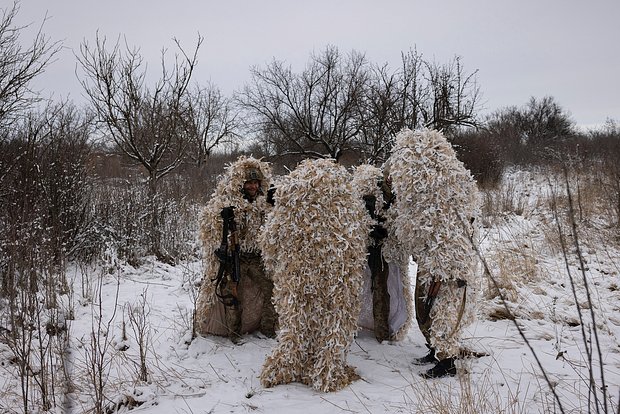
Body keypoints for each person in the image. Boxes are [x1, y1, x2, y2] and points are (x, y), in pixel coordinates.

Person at [386, 128, 482, 378]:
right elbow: (420, 223)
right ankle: (435, 349)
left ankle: (447, 361)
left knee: (445, 310)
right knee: (427, 308)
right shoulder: (424, 186)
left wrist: (448, 265)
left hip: (449, 262)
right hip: (433, 258)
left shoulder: (449, 181)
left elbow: (456, 225)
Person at [195, 156, 277, 344]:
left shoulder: (264, 202)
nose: (253, 187)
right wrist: (221, 217)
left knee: (270, 288)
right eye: (249, 183)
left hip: (257, 257)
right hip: (236, 257)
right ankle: (234, 332)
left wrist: (275, 205)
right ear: (242, 184)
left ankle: (268, 327)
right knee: (231, 293)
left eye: (256, 183)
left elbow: (276, 225)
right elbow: (208, 224)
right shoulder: (229, 201)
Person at [352, 164, 412, 343]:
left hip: (388, 252)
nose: (390, 179)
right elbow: (358, 215)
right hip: (369, 250)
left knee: (386, 290)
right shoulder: (369, 191)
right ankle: (368, 326)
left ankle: (384, 331)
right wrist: (370, 229)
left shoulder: (396, 194)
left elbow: (399, 219)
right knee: (368, 288)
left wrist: (389, 230)